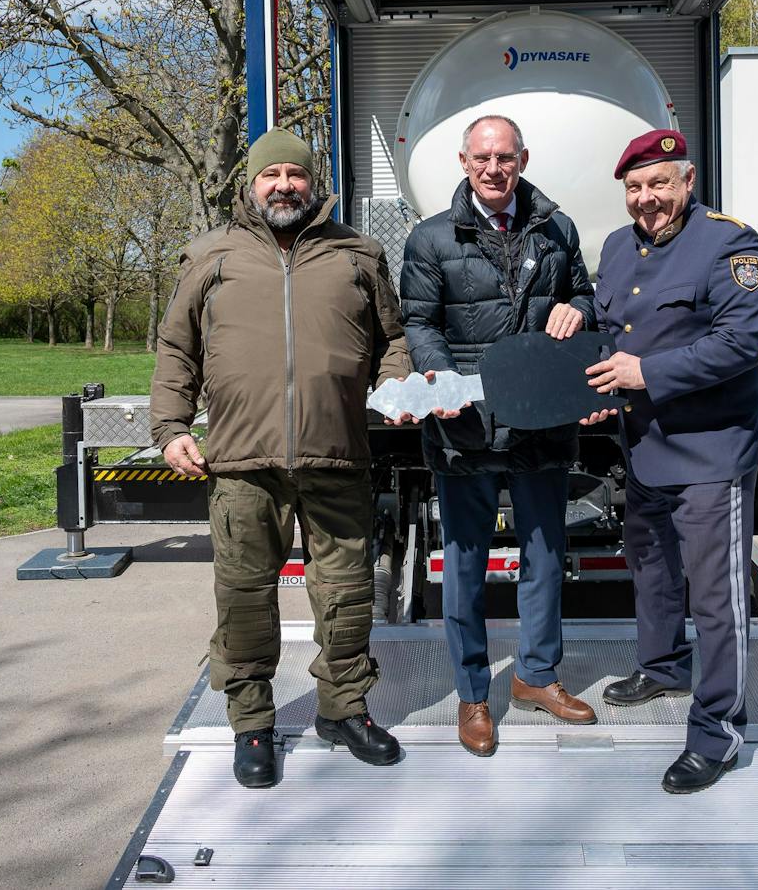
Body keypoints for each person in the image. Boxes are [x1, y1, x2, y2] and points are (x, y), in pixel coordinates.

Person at [151, 127, 410, 789]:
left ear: (313, 182)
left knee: (347, 595)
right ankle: (253, 722)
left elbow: (393, 341)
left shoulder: (359, 254)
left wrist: (396, 391)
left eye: (295, 174)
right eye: (272, 176)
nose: (284, 185)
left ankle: (345, 709)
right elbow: (176, 348)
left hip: (339, 455)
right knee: (243, 598)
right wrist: (170, 424)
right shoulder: (210, 256)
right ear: (252, 184)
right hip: (241, 462)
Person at [399, 113, 599, 757]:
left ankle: (537, 676)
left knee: (544, 557)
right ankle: (473, 694)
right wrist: (443, 383)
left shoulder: (557, 228)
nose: (493, 168)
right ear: (464, 162)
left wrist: (581, 308)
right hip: (467, 426)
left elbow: (586, 299)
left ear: (523, 160)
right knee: (464, 566)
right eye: (482, 158)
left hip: (541, 422)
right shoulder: (431, 239)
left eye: (505, 158)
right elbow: (419, 323)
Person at [582, 128, 758, 794]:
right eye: (635, 187)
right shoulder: (614, 246)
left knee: (716, 593)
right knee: (652, 566)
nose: (647, 198)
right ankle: (663, 664)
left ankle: (718, 730)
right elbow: (611, 330)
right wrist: (599, 385)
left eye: (659, 183)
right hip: (644, 444)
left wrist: (644, 373)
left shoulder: (729, 241)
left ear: (687, 182)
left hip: (711, 447)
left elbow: (740, 342)